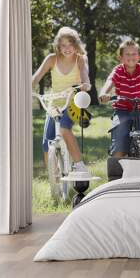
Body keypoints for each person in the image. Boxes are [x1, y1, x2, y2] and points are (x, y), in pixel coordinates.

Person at [32, 26, 91, 172]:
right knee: (47, 142)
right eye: (63, 45)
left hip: (72, 102)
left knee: (64, 129)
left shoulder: (80, 60)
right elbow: (36, 78)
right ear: (58, 46)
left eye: (70, 44)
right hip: (54, 104)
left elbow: (85, 77)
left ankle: (80, 166)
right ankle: (53, 175)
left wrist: (85, 85)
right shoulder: (52, 59)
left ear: (76, 45)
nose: (67, 48)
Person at [99, 39, 140, 158]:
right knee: (119, 144)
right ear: (121, 57)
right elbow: (109, 82)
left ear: (139, 56)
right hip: (122, 110)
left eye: (134, 54)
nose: (131, 56)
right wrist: (104, 93)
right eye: (127, 54)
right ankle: (117, 172)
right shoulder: (118, 71)